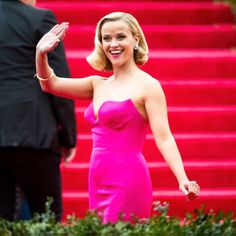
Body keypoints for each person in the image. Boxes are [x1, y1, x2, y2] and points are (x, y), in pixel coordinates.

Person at [35, 12, 200, 223]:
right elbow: (49, 84)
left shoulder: (148, 86)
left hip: (128, 179)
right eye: (107, 38)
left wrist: (182, 178)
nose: (113, 44)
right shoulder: (97, 84)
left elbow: (164, 138)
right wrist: (41, 54)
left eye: (120, 36)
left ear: (135, 39)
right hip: (97, 179)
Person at [0, 0, 77, 222]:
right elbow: (58, 79)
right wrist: (68, 135)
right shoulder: (40, 19)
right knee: (46, 217)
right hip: (33, 130)